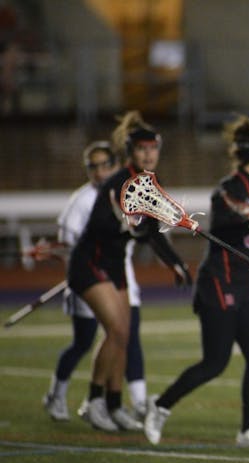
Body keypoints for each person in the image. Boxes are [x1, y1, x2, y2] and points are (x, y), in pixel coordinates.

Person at [143, 114, 249, 447]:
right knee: (215, 363)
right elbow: (224, 226)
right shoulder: (228, 188)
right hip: (219, 283)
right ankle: (160, 406)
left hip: (247, 283)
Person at [67, 111, 192, 432]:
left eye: (153, 149)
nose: (149, 155)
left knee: (124, 335)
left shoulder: (151, 183)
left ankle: (114, 403)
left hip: (114, 265)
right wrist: (127, 227)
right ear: (131, 152)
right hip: (90, 263)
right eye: (142, 149)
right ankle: (94, 402)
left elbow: (149, 232)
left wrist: (175, 262)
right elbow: (100, 227)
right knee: (117, 332)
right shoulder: (117, 182)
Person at [43, 141, 148, 422]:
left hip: (120, 276)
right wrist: (53, 250)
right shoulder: (81, 200)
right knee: (84, 341)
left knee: (125, 336)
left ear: (116, 165)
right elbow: (70, 244)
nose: (99, 171)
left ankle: (122, 404)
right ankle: (59, 394)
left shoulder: (127, 190)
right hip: (91, 276)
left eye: (105, 165)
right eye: (93, 166)